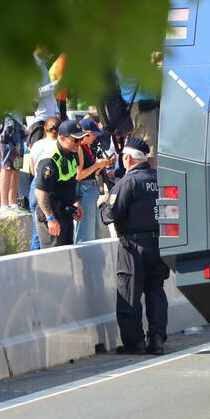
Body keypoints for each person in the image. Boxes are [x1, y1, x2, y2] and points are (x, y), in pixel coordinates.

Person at [99, 137, 168, 355]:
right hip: (159, 242)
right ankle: (157, 338)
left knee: (129, 293)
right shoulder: (159, 178)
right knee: (156, 290)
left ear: (128, 158)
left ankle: (134, 341)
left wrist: (102, 205)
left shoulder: (128, 182)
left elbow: (111, 214)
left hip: (133, 245)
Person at [33, 119, 86, 248]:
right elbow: (40, 191)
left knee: (67, 254)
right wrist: (50, 218)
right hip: (51, 214)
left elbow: (68, 182)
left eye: (81, 139)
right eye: (76, 140)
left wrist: (75, 202)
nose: (79, 143)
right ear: (62, 138)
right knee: (54, 257)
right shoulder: (49, 160)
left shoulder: (71, 153)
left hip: (65, 213)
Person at [74, 118, 114, 243]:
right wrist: (97, 165)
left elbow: (91, 173)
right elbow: (79, 175)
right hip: (84, 191)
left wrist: (101, 166)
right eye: (94, 134)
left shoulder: (88, 147)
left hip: (91, 190)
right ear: (86, 134)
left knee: (96, 232)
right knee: (86, 233)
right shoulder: (80, 148)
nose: (96, 137)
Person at [24, 116, 60, 249]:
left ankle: (34, 257)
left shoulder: (37, 145)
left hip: (35, 185)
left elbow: (32, 169)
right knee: (49, 233)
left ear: (45, 129)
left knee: (36, 231)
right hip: (48, 188)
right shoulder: (58, 145)